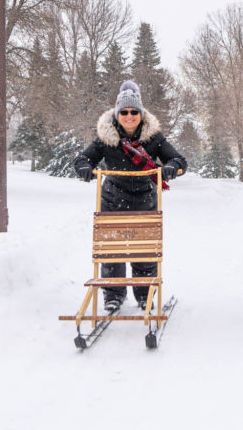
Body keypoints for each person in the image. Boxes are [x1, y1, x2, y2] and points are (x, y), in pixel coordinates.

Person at [73, 80, 187, 312]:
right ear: (117, 113)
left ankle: (145, 293)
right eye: (124, 111)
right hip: (113, 199)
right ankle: (113, 294)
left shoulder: (153, 137)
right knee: (112, 249)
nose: (129, 116)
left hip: (145, 199)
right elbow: (82, 159)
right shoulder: (106, 136)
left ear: (141, 113)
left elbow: (179, 160)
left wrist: (171, 168)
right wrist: (84, 168)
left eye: (134, 111)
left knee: (144, 249)